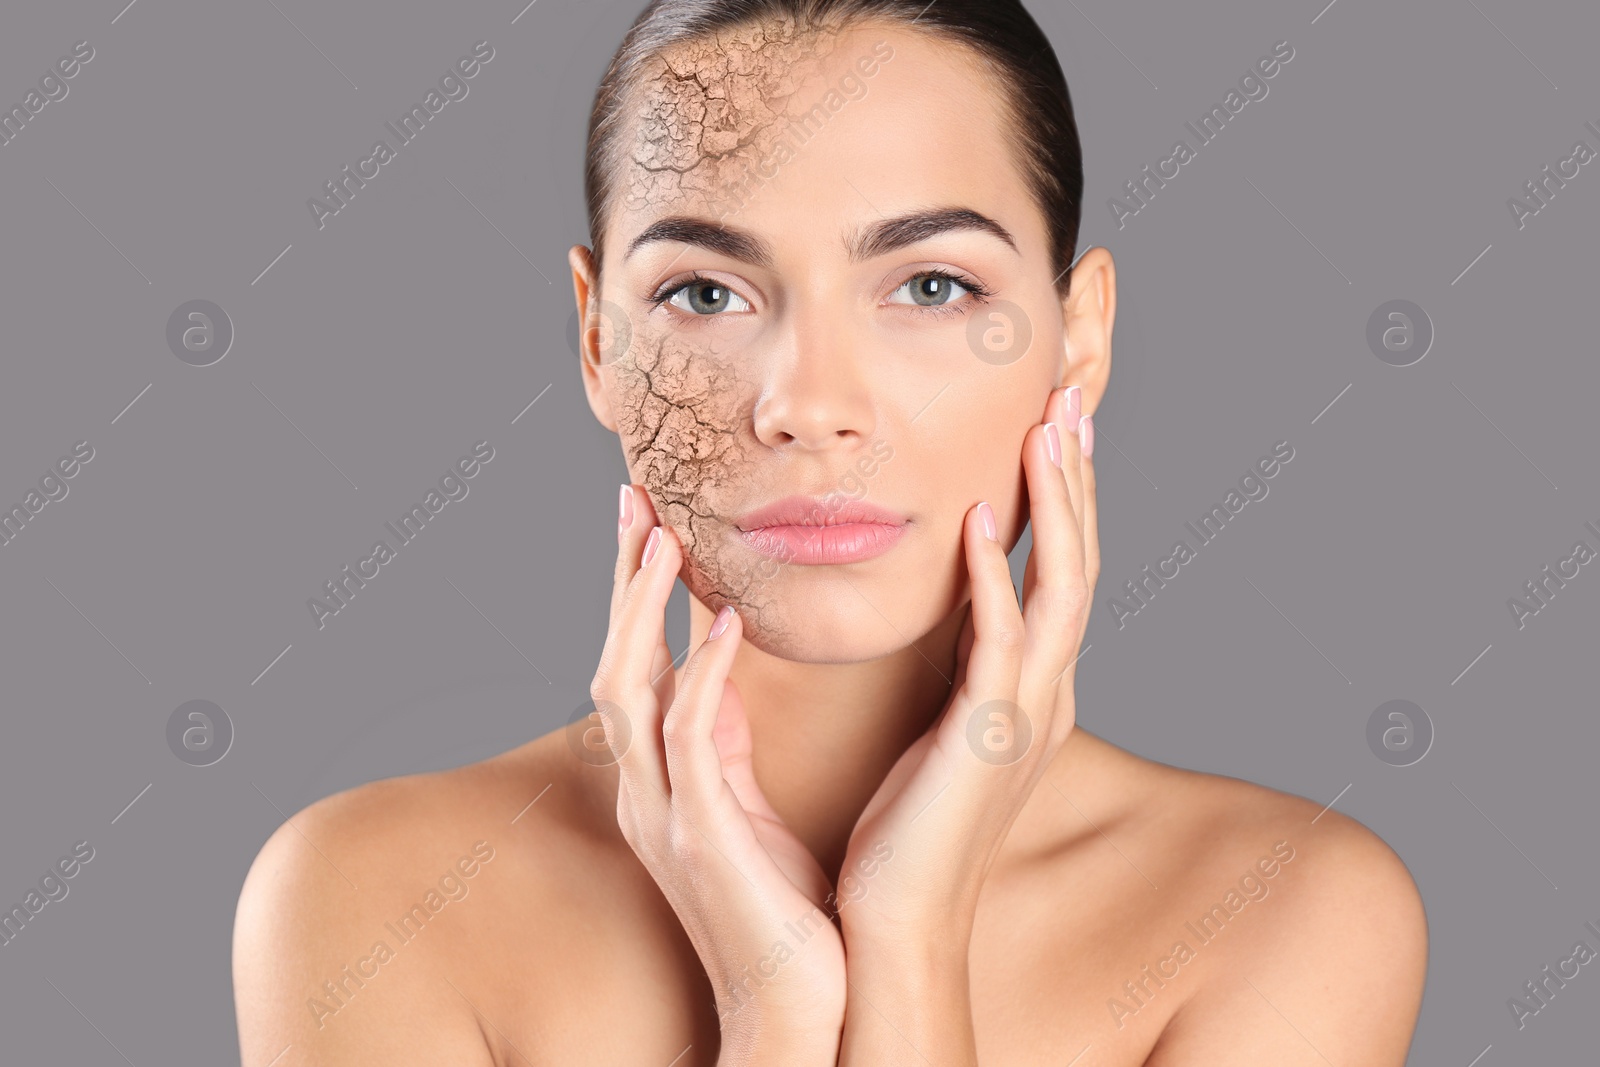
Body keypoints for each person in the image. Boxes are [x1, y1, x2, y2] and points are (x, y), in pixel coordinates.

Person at [234, 1, 1427, 1062]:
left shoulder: (1285, 909)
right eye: (705, 293)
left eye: (928, 287)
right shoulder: (368, 899)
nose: (810, 405)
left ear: (1078, 336)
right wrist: (773, 1016)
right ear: (598, 339)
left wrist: (910, 936)